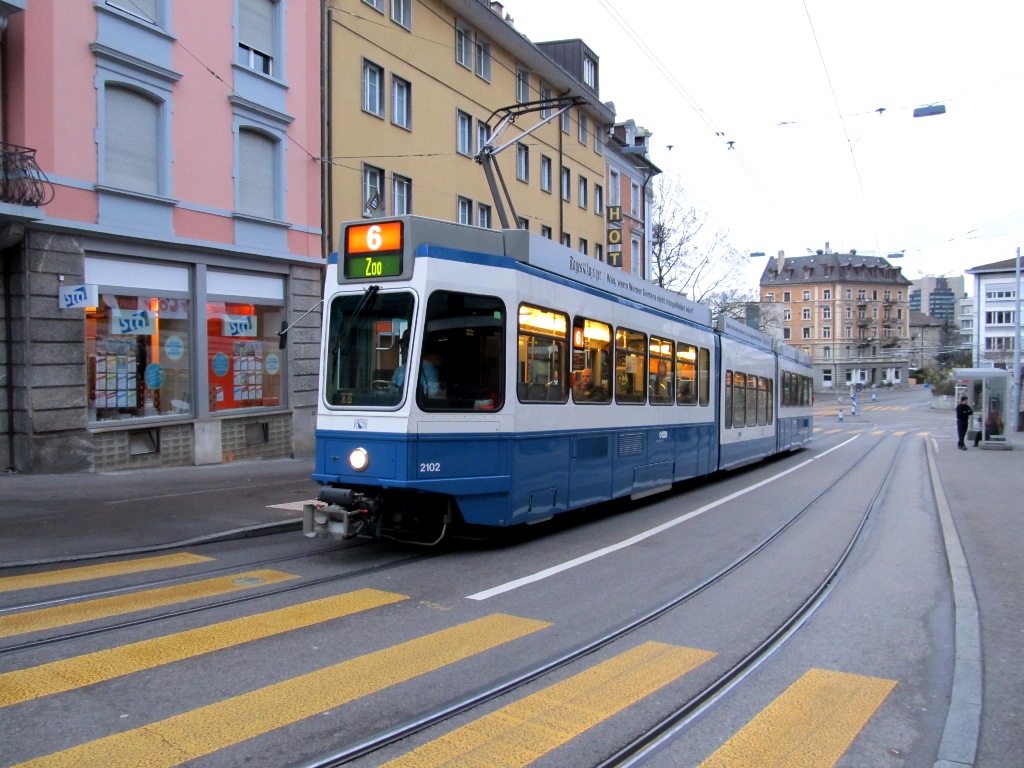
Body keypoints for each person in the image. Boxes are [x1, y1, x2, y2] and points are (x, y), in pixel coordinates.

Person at [391, 331, 440, 397]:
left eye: (403, 349)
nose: (400, 353)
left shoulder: (429, 369)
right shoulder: (400, 370)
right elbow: (391, 390)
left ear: (411, 349)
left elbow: (433, 394)